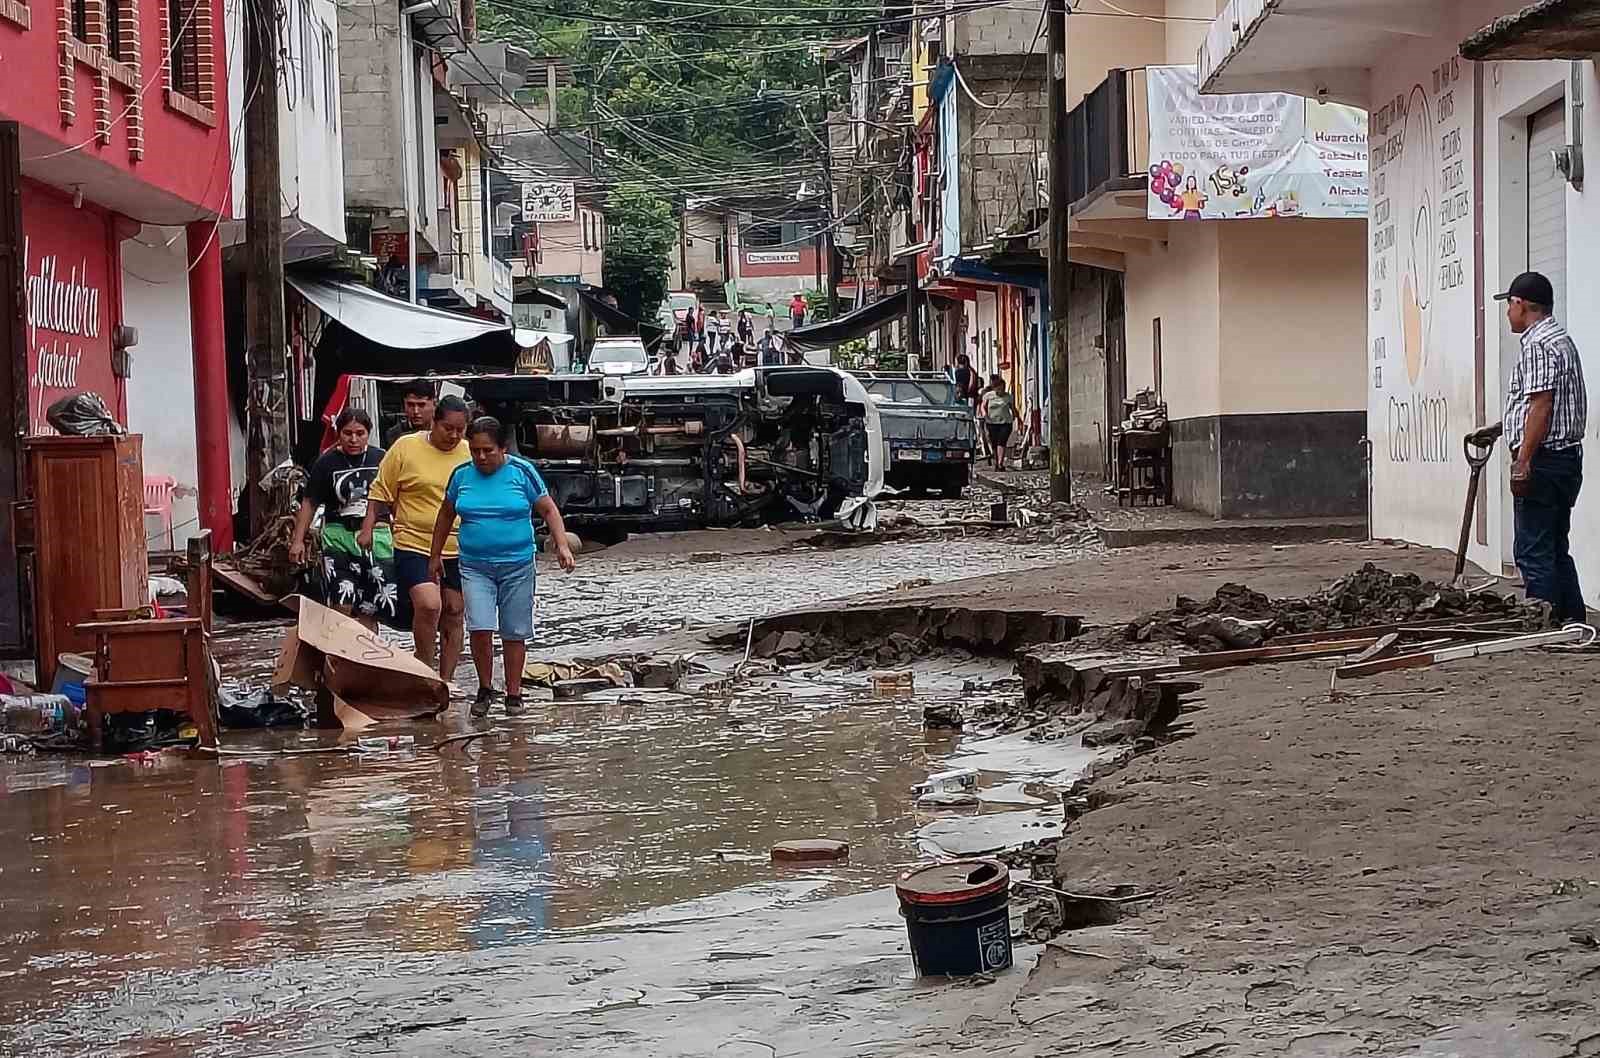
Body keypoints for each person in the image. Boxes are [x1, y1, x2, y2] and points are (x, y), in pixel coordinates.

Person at [430, 416, 577, 719]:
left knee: (514, 630)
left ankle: (513, 693)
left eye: (487, 451)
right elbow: (445, 516)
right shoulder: (461, 476)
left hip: (517, 564)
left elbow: (548, 509)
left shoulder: (522, 472)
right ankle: (485, 688)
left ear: (503, 448)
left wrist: (561, 544)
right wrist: (435, 557)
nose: (481, 457)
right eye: (474, 451)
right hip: (473, 565)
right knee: (480, 627)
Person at [1496, 270, 1588, 623]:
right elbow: (1545, 404)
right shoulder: (1561, 339)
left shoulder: (1537, 345)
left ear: (1520, 304)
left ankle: (1545, 625)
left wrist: (1523, 459)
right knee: (1554, 547)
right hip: (1565, 458)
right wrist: (1502, 427)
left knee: (1533, 550)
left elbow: (1542, 405)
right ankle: (1573, 622)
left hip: (1544, 460)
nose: (1507, 313)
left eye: (1509, 305)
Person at [360, 394, 471, 677]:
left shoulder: (471, 454)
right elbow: (380, 491)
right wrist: (368, 527)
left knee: (454, 610)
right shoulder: (405, 447)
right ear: (434, 423)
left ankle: (446, 681)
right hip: (414, 541)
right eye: (448, 428)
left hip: (459, 545)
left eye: (460, 430)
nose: (454, 436)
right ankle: (424, 668)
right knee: (429, 604)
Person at [288, 409, 396, 630]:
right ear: (339, 433)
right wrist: (298, 540)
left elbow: (396, 497)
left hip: (377, 538)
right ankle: (339, 654)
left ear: (369, 433)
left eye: (360, 433)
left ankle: (367, 658)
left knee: (371, 607)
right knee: (342, 602)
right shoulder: (326, 463)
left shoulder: (382, 459)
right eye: (348, 433)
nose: (354, 439)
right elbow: (310, 502)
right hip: (338, 537)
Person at [981, 374, 1018, 472]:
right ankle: (996, 462)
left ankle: (1000, 464)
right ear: (995, 388)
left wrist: (1017, 418)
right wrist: (985, 415)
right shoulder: (988, 396)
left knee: (1001, 442)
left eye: (1003, 388)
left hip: (1005, 422)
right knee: (994, 443)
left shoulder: (1008, 397)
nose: (1001, 391)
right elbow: (983, 407)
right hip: (991, 422)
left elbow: (1013, 408)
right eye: (999, 388)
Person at [385, 379, 435, 447]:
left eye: (421, 405)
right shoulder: (394, 434)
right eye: (410, 405)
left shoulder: (443, 430)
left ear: (434, 403)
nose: (416, 411)